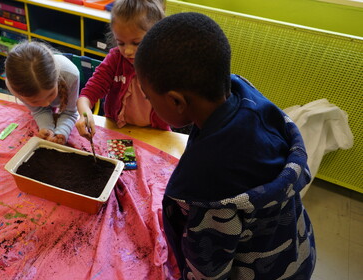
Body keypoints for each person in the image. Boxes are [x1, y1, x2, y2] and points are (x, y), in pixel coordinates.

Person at [134, 12, 316, 279]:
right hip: (297, 251)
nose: (149, 103)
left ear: (176, 102)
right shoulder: (245, 95)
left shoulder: (207, 190)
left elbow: (209, 271)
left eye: (149, 98)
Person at [75, 0, 170, 140]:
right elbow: (87, 95)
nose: (128, 51)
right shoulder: (115, 60)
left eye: (136, 43)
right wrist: (85, 112)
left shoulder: (166, 63)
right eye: (121, 43)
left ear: (157, 35)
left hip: (156, 132)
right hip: (118, 129)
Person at [5, 41, 79, 144]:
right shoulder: (14, 85)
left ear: (57, 77)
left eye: (51, 94)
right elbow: (39, 110)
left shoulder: (71, 75)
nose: (46, 104)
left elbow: (70, 112)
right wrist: (46, 128)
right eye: (35, 101)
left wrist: (62, 132)